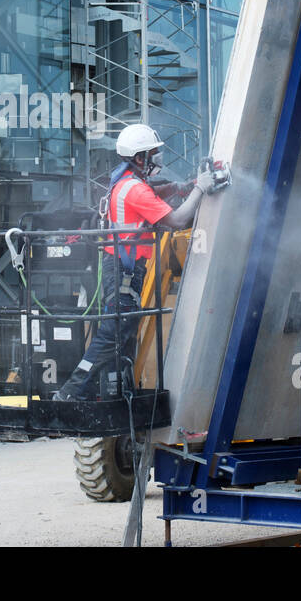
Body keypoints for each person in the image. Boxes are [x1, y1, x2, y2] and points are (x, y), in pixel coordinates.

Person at [53, 124, 217, 402]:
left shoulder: (127, 181)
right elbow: (177, 220)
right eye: (153, 153)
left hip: (122, 269)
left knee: (125, 334)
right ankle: (69, 394)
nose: (158, 158)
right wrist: (200, 189)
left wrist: (180, 188)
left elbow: (153, 193)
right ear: (140, 158)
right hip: (123, 272)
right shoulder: (135, 190)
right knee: (112, 334)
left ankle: (120, 393)